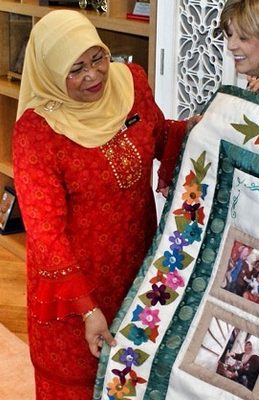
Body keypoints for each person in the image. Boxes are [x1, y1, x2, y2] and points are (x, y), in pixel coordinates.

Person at [11, 10, 194, 399]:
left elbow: (159, 137)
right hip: (74, 289)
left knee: (132, 380)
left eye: (97, 58)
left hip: (136, 270)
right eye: (75, 69)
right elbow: (46, 234)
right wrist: (87, 309)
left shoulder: (132, 86)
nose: (93, 76)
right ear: (49, 73)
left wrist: (200, 129)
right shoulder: (37, 131)